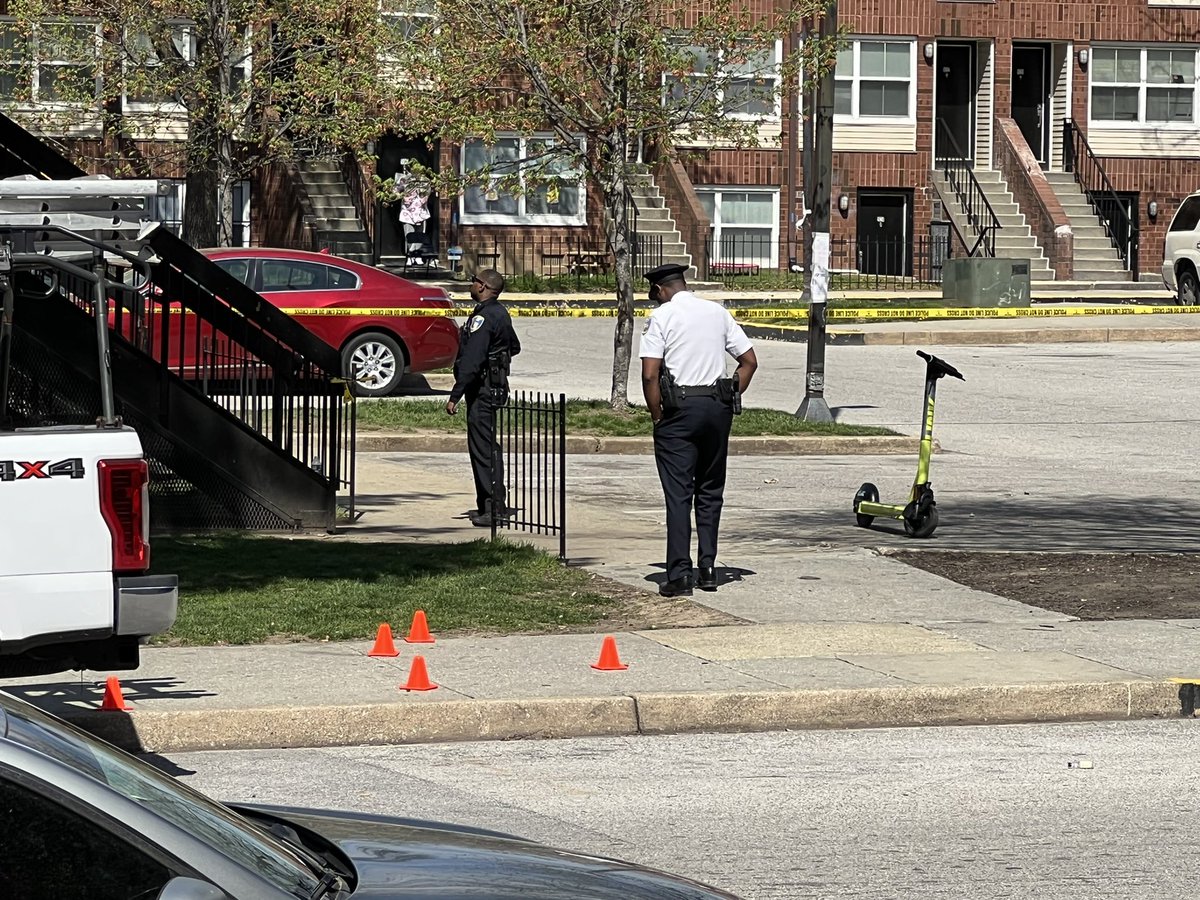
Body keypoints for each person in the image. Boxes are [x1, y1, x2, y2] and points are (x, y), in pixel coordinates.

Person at [639, 263, 758, 597]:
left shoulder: (662, 316)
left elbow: (650, 373)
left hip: (679, 410)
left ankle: (678, 575)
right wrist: (731, 394)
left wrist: (656, 414)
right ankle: (708, 569)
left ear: (661, 290)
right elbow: (749, 361)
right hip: (716, 408)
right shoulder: (716, 312)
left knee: (679, 495)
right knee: (710, 489)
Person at [446, 269, 521, 527]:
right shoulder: (500, 313)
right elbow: (514, 346)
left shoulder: (485, 317)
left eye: (474, 281)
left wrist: (455, 395)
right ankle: (490, 505)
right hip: (495, 386)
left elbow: (472, 361)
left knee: (484, 451)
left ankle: (493, 508)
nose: (471, 285)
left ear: (483, 286)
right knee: (488, 448)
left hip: (482, 390)